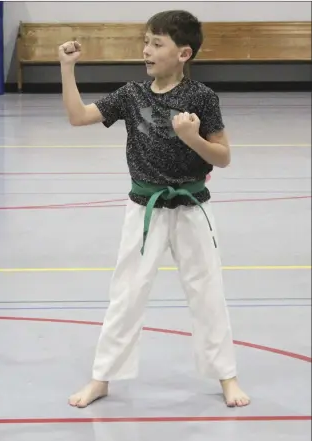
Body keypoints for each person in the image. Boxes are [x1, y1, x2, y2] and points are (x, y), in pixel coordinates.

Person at [59, 9, 250, 409]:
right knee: (127, 294)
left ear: (183, 54)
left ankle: (227, 376)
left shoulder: (201, 98)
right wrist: (66, 67)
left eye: (156, 44)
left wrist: (192, 137)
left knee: (207, 292)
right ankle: (102, 377)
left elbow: (223, 157)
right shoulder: (132, 95)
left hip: (193, 208)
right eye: (145, 42)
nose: (146, 50)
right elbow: (78, 117)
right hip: (144, 207)